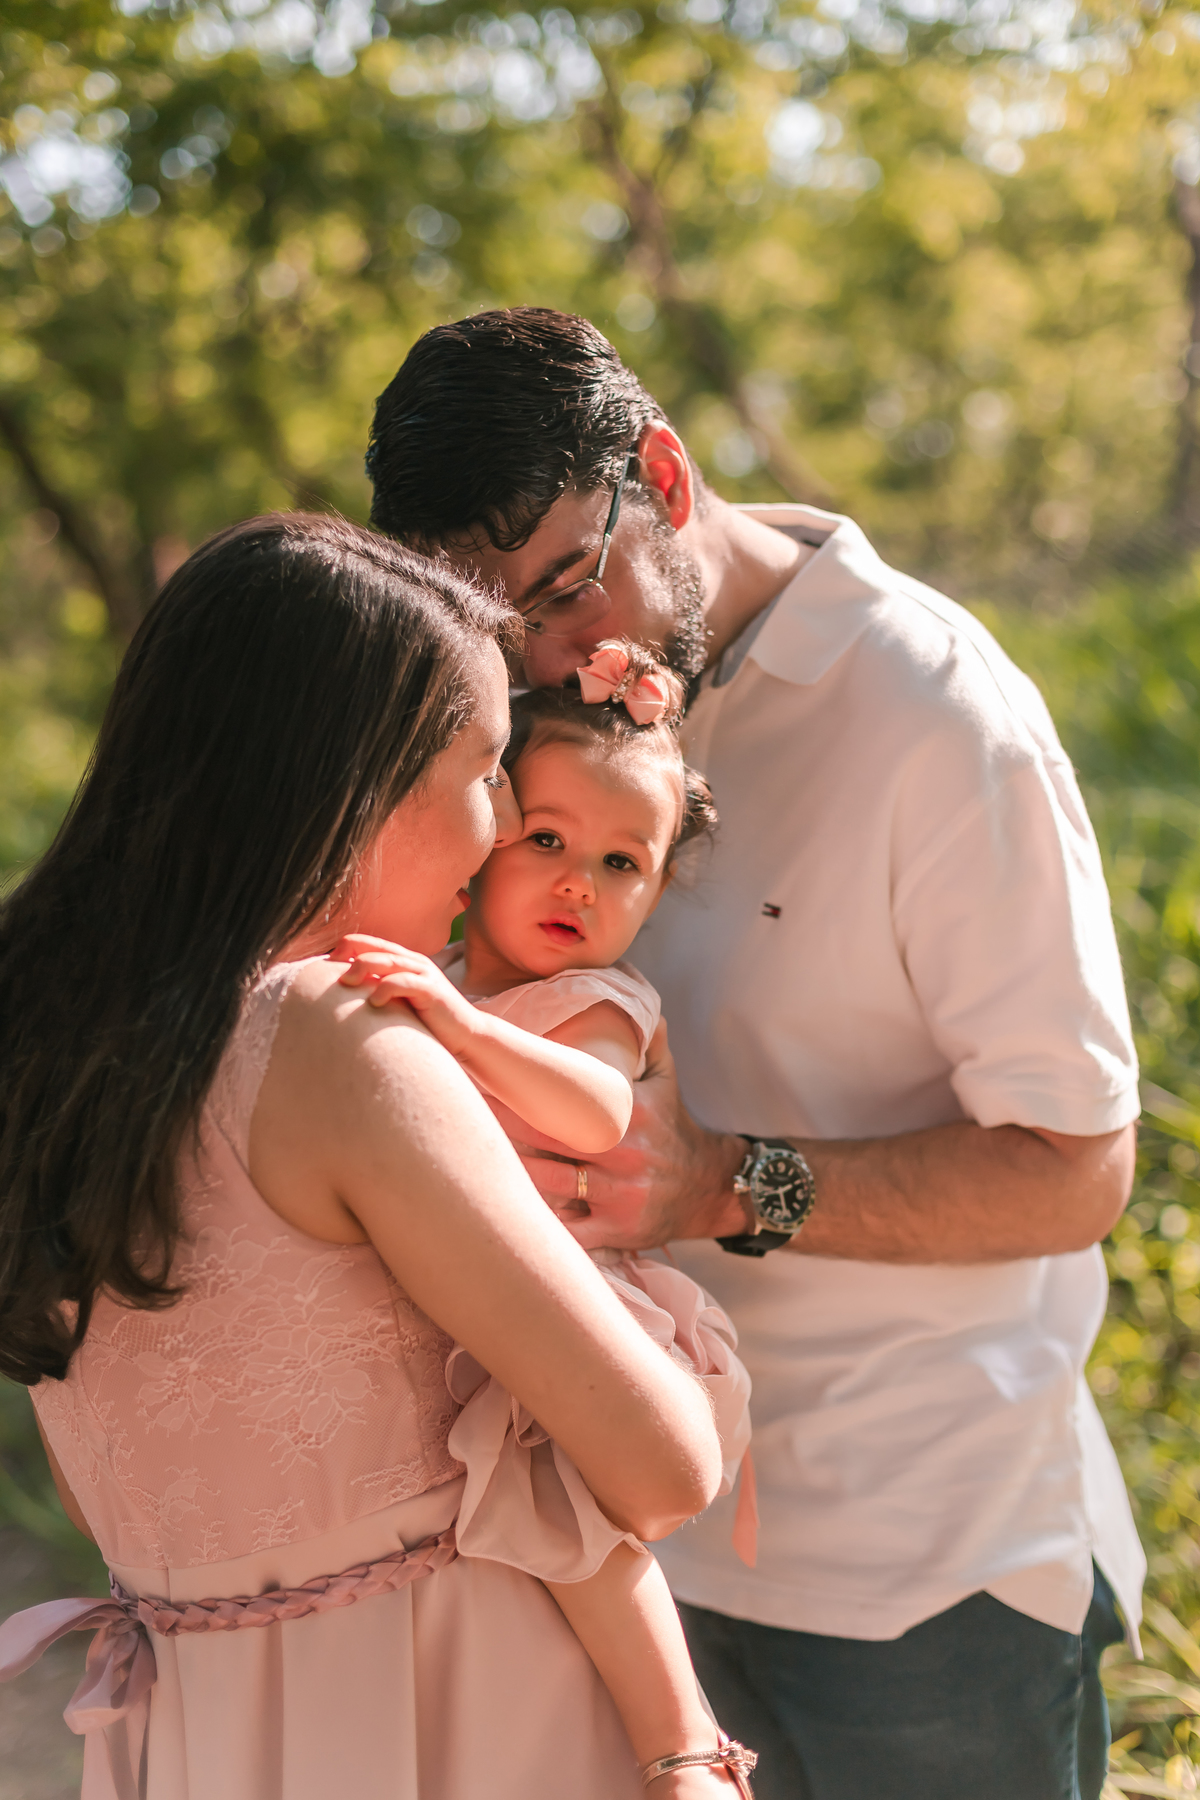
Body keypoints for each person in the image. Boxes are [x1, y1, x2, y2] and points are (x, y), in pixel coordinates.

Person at [364, 307, 1146, 1800]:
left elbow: (1073, 1171)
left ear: (660, 470)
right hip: (623, 1545)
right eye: (496, 621)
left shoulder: (937, 713)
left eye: (563, 590)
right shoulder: (515, 709)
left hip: (925, 1584)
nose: (544, 652)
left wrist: (721, 1184)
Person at [0, 513, 732, 1800]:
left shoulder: (46, 1040)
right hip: (455, 1716)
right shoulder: (332, 1039)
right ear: (350, 784)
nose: (502, 826)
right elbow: (664, 1467)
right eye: (487, 770)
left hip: (202, 1725)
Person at [335, 640, 761, 1796]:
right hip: (481, 1292)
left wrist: (463, 1033)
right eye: (549, 841)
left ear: (658, 890)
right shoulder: (450, 972)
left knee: (577, 1530)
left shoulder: (599, 1003)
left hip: (582, 1307)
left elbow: (596, 1108)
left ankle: (679, 1743)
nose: (579, 882)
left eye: (623, 862)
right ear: (483, 839)